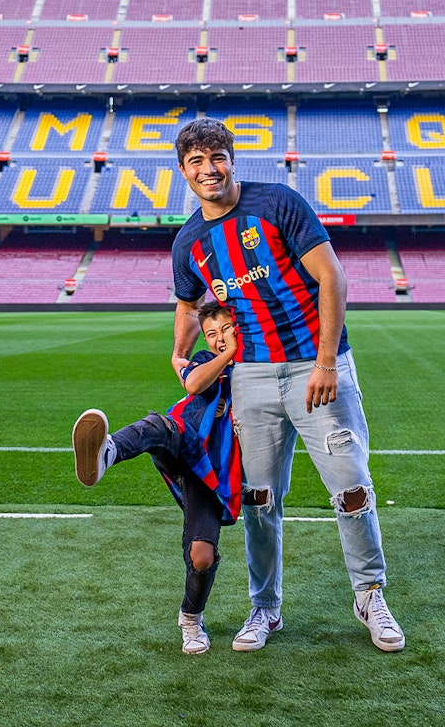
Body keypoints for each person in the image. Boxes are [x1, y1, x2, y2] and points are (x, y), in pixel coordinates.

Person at [169, 117, 405, 653]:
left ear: (232, 159)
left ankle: (370, 596)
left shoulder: (277, 203)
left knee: (350, 491)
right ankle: (265, 608)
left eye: (217, 157)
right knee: (258, 499)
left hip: (316, 369)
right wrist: (179, 353)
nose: (210, 170)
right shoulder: (189, 241)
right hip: (250, 378)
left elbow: (332, 276)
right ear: (182, 172)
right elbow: (187, 301)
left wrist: (324, 361)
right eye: (197, 162)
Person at [72, 301, 242, 655]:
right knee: (159, 427)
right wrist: (226, 356)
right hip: (183, 438)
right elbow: (194, 385)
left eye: (225, 329)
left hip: (210, 472)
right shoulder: (204, 362)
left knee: (202, 556)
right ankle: (108, 452)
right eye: (211, 334)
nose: (219, 338)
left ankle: (190, 618)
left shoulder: (258, 369)